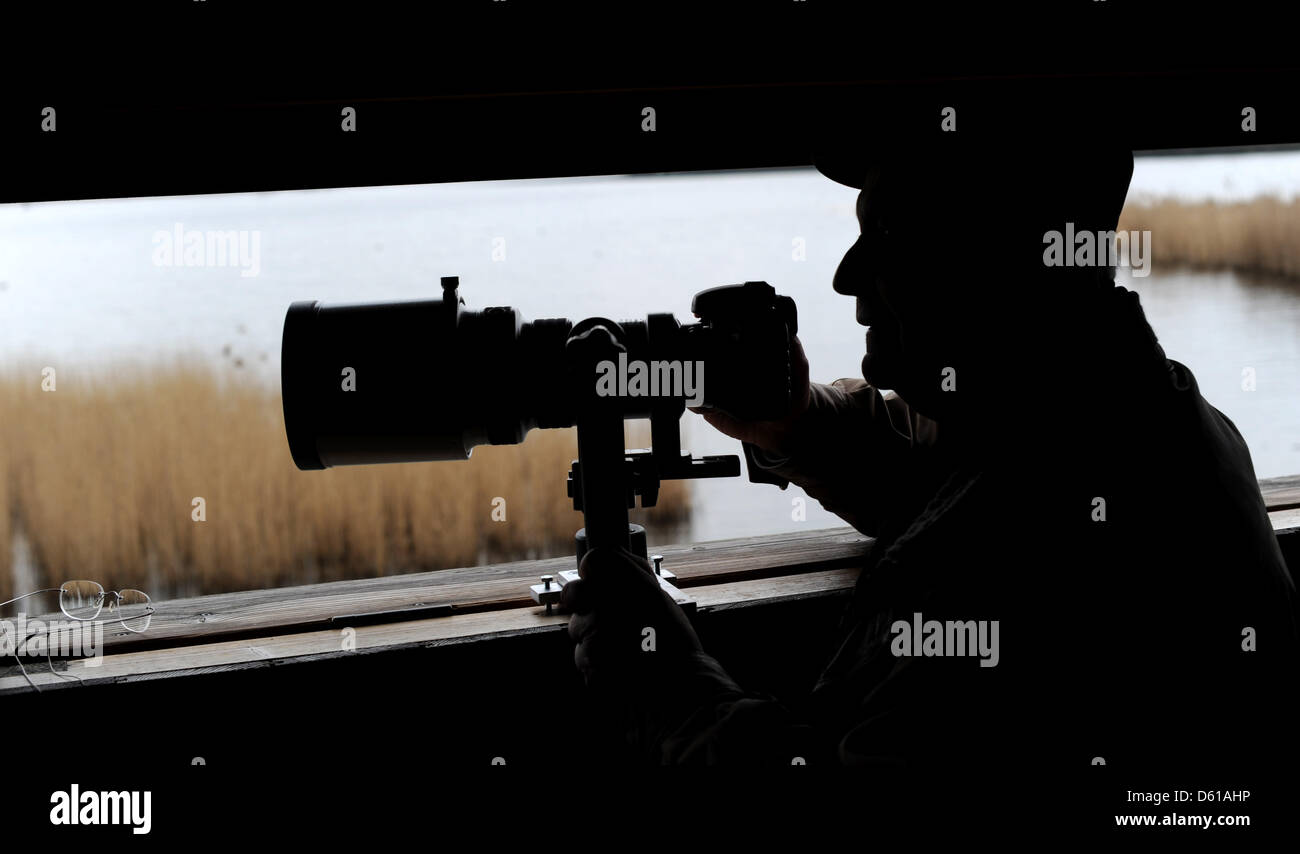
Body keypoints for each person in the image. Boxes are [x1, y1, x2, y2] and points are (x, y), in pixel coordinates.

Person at [561, 144, 1299, 775]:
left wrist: (665, 690)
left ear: (1000, 253)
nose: (846, 276)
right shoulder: (1133, 414)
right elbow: (950, 487)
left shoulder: (1068, 536)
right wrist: (793, 422)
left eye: (885, 233)